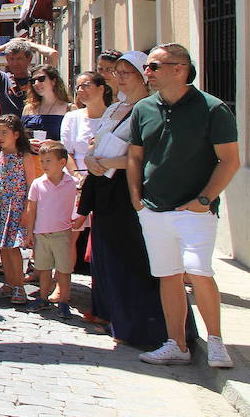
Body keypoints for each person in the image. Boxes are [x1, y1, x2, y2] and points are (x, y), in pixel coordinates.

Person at [128, 43, 239, 369]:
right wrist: (137, 200)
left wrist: (203, 201)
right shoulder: (143, 108)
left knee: (199, 270)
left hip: (195, 212)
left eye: (154, 66)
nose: (147, 72)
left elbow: (230, 161)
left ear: (180, 69)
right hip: (153, 209)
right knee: (168, 275)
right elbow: (135, 156)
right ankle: (176, 344)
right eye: (147, 66)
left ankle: (216, 342)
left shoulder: (212, 108)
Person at [79, 51, 180, 350]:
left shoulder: (151, 109)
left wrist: (109, 161)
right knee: (107, 256)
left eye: (127, 72)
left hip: (128, 188)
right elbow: (96, 142)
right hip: (104, 186)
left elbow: (149, 154)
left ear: (142, 76)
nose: (119, 77)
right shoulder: (115, 108)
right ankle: (112, 316)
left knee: (130, 257)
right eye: (117, 72)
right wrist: (91, 158)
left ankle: (138, 326)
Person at [0, 115, 39, 304]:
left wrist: (28, 211)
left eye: (5, 133)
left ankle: (19, 285)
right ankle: (9, 283)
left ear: (16, 134)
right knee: (3, 247)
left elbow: (31, 185)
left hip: (15, 207)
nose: (0, 136)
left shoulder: (25, 156)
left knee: (13, 247)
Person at [22, 140, 81, 316]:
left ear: (62, 162)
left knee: (63, 269)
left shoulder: (71, 183)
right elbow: (31, 209)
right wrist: (30, 232)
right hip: (41, 232)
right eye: (42, 161)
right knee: (44, 268)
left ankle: (63, 301)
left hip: (62, 233)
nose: (44, 165)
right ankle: (42, 297)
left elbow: (78, 204)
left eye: (49, 161)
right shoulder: (38, 184)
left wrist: (77, 220)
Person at [0, 37, 59, 119]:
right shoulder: (3, 79)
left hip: (33, 127)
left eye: (19, 59)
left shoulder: (38, 79)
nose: (15, 63)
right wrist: (5, 46)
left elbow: (53, 54)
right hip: (9, 131)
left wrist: (28, 44)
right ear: (7, 59)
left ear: (29, 59)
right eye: (11, 59)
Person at [62, 71, 111, 178]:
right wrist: (77, 176)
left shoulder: (114, 117)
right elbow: (66, 152)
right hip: (78, 181)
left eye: (86, 85)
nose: (80, 90)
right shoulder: (71, 117)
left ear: (101, 89)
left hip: (108, 178)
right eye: (78, 87)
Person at [21, 65, 71, 144]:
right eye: (33, 81)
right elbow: (21, 137)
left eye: (41, 79)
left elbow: (75, 141)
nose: (36, 84)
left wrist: (55, 144)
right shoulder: (28, 108)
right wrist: (28, 144)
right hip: (32, 155)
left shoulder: (69, 109)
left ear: (53, 81)